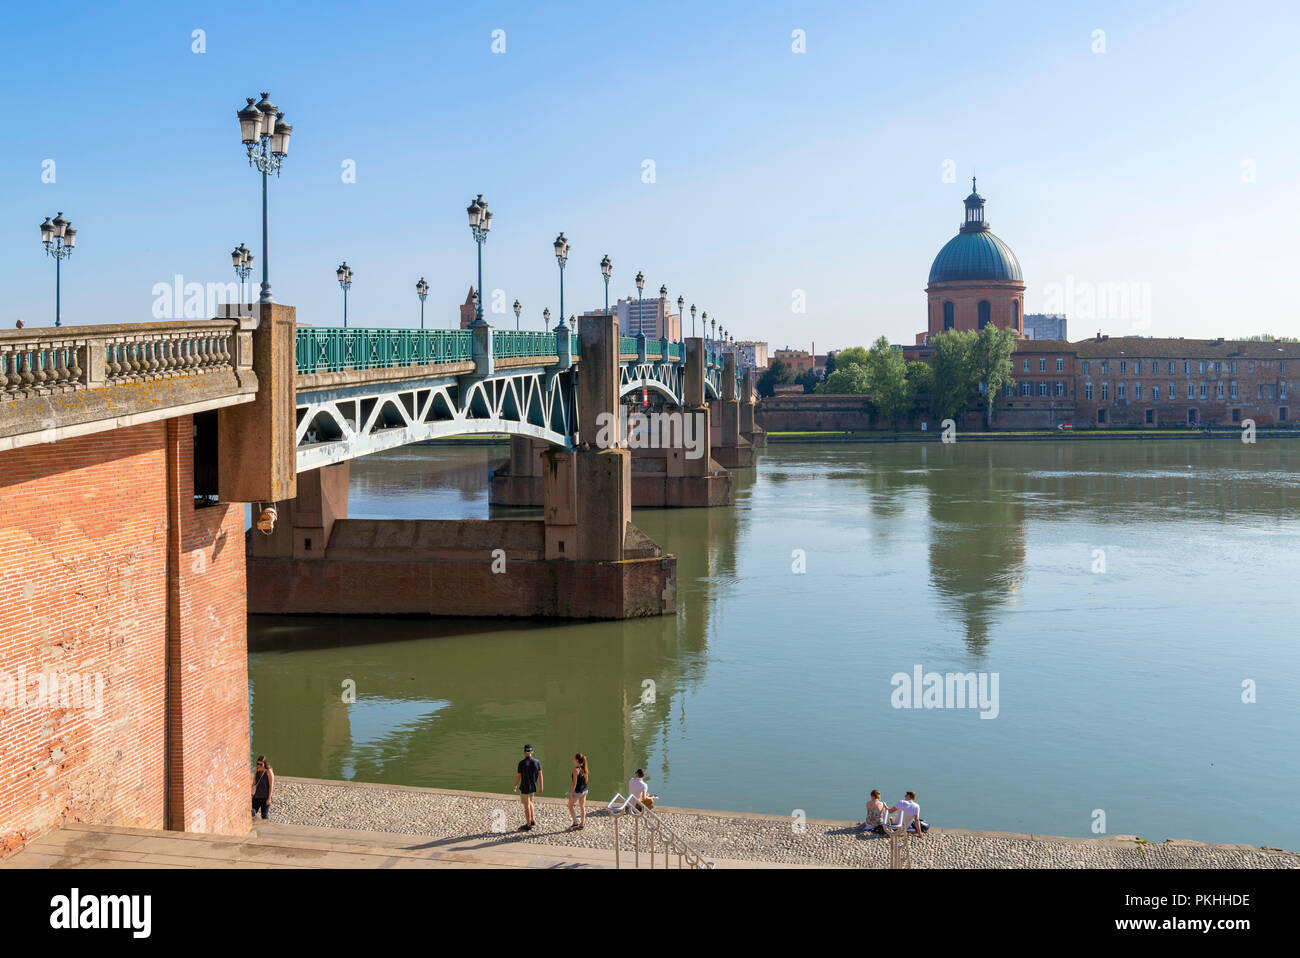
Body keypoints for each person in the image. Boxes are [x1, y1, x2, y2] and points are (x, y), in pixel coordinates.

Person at [512, 744, 543, 831]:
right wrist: (541, 786)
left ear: (524, 752)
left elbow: (518, 776)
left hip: (525, 787)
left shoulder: (522, 763)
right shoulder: (537, 762)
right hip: (533, 786)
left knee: (526, 807)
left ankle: (528, 824)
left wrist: (515, 785)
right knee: (531, 803)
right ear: (532, 752)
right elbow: (540, 775)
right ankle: (532, 820)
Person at [568, 753, 589, 829]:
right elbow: (586, 780)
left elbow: (574, 784)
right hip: (585, 790)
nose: (573, 759)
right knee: (582, 806)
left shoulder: (575, 770)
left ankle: (575, 822)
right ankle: (582, 824)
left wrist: (571, 794)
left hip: (578, 792)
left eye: (574, 758)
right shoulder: (584, 769)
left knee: (570, 806)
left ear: (577, 760)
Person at [252, 755, 273, 820]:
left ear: (265, 763)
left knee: (264, 816)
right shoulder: (256, 770)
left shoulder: (269, 771)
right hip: (256, 796)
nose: (259, 765)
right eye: (257, 764)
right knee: (252, 812)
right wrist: (251, 794)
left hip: (265, 797)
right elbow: (254, 783)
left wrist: (269, 798)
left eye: (261, 764)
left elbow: (271, 786)